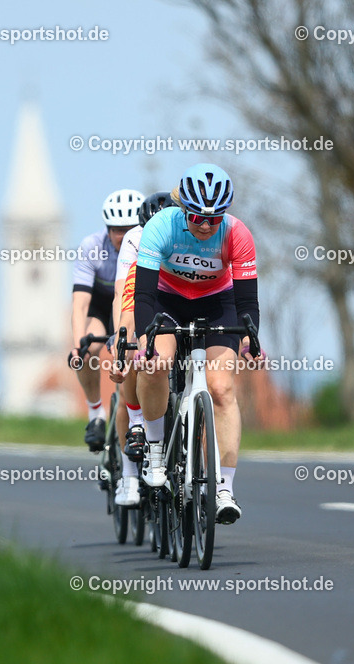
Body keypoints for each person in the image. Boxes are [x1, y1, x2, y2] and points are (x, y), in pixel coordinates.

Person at [133, 164, 260, 524]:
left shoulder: (238, 234)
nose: (205, 226)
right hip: (166, 301)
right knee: (157, 363)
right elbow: (143, 296)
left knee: (221, 387)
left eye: (214, 219)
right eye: (197, 218)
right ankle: (156, 449)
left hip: (217, 303)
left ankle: (223, 488)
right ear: (183, 210)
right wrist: (147, 342)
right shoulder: (161, 227)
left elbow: (248, 302)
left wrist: (251, 337)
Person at [109, 191, 173, 506]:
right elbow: (125, 295)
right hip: (141, 301)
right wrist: (122, 342)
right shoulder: (135, 240)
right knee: (136, 351)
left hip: (177, 302)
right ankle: (130, 477)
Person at [70, 189, 144, 450]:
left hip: (133, 306)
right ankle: (96, 414)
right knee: (88, 348)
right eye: (116, 230)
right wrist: (78, 344)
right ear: (107, 228)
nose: (122, 236)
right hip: (102, 307)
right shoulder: (92, 247)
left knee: (138, 358)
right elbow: (80, 303)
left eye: (129, 228)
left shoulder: (147, 245)